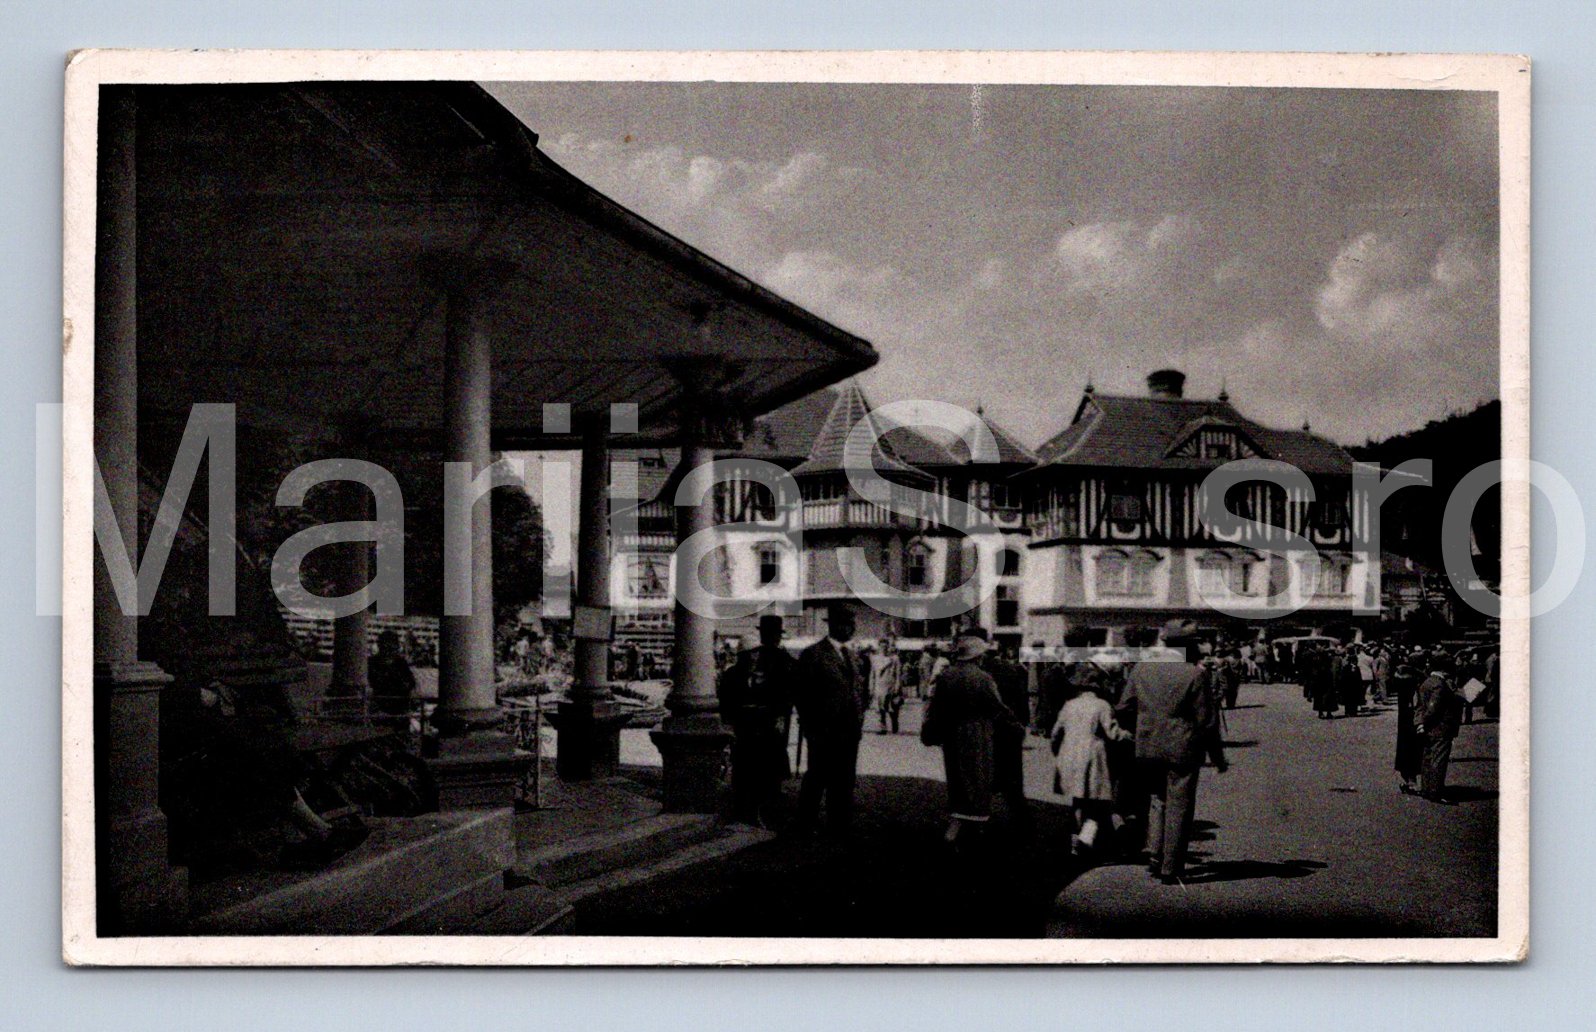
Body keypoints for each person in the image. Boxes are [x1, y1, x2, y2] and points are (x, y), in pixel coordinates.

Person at [1116, 619, 1226, 884]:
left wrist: (1142, 728)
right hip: (1182, 749)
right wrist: (1218, 757)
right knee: (1179, 805)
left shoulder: (1143, 668)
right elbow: (1207, 722)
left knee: (1157, 800)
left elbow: (1123, 707)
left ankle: (1155, 856)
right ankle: (1171, 866)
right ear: (1189, 645)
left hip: (1148, 747)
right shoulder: (1194, 674)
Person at [920, 627, 1023, 845]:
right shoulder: (982, 678)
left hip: (951, 736)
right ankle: (972, 831)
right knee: (977, 781)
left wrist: (932, 730)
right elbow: (997, 708)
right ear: (978, 656)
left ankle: (956, 828)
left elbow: (936, 708)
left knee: (957, 779)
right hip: (977, 735)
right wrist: (1016, 726)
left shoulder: (946, 676)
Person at [794, 603, 871, 835]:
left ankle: (839, 824)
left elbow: (859, 690)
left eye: (852, 624)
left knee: (845, 778)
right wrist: (810, 727)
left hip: (849, 731)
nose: (851, 628)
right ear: (834, 625)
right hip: (823, 730)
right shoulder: (814, 654)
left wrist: (859, 718)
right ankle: (805, 823)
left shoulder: (853, 656)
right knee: (817, 777)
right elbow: (802, 694)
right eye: (846, 624)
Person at [719, 614, 799, 827]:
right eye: (749, 654)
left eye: (756, 653)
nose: (754, 657)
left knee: (767, 769)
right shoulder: (734, 675)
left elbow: (786, 693)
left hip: (767, 728)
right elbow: (726, 705)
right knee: (744, 770)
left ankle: (764, 809)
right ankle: (744, 810)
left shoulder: (779, 663)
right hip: (744, 729)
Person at [1051, 672, 1131, 856]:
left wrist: (1058, 753)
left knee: (1078, 799)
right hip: (1093, 756)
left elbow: (1056, 733)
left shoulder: (1069, 705)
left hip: (1070, 754)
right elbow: (1113, 733)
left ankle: (1075, 840)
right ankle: (1085, 839)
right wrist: (1127, 735)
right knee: (1095, 801)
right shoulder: (1102, 705)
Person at [983, 642, 1033, 828]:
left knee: (983, 777)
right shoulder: (1011, 670)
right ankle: (1022, 819)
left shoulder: (981, 672)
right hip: (1009, 730)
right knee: (1013, 780)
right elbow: (1021, 700)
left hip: (988, 730)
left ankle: (977, 821)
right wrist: (1022, 724)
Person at [1416, 655, 1465, 803]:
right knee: (1439, 760)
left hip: (1429, 727)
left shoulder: (1427, 682)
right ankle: (1436, 792)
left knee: (1427, 758)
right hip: (1441, 727)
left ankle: (1426, 789)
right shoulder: (1440, 685)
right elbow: (1434, 708)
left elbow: (1421, 706)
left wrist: (1420, 723)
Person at [1391, 648, 1425, 794]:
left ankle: (1409, 780)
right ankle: (1413, 781)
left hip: (1404, 718)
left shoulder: (1402, 677)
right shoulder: (1418, 679)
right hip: (1414, 718)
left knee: (1405, 747)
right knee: (1415, 749)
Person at [368, 630, 417, 718]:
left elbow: (410, 683)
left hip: (400, 709)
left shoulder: (401, 662)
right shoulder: (371, 663)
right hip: (378, 709)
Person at [873, 643, 904, 733]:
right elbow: (873, 674)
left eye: (885, 647)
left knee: (892, 707)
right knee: (880, 707)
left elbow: (898, 673)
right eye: (881, 647)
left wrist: (898, 685)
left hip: (891, 685)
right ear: (879, 647)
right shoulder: (875, 659)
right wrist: (871, 686)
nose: (883, 649)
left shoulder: (894, 659)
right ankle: (882, 727)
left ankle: (894, 723)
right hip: (879, 686)